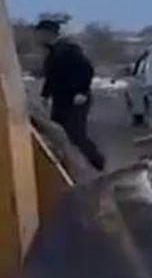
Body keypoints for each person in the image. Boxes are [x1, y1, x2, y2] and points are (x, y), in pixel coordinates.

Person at [36, 19, 106, 171]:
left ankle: (98, 163)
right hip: (60, 101)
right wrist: (45, 95)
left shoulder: (68, 50)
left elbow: (87, 69)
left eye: (41, 34)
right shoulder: (52, 54)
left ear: (50, 34)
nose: (38, 37)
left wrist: (81, 91)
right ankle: (65, 168)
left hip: (76, 100)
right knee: (57, 133)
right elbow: (52, 78)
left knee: (76, 135)